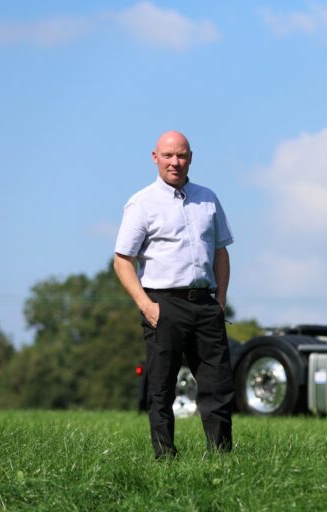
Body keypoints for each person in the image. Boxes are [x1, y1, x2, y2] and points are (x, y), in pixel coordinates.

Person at [114, 130, 234, 458]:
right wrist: (146, 305)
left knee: (218, 386)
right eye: (168, 156)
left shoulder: (208, 198)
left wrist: (220, 300)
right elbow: (122, 260)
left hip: (205, 303)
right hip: (163, 304)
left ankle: (221, 457)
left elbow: (221, 252)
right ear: (155, 158)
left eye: (181, 155)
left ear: (190, 157)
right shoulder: (142, 203)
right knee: (162, 388)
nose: (175, 162)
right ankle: (166, 458)